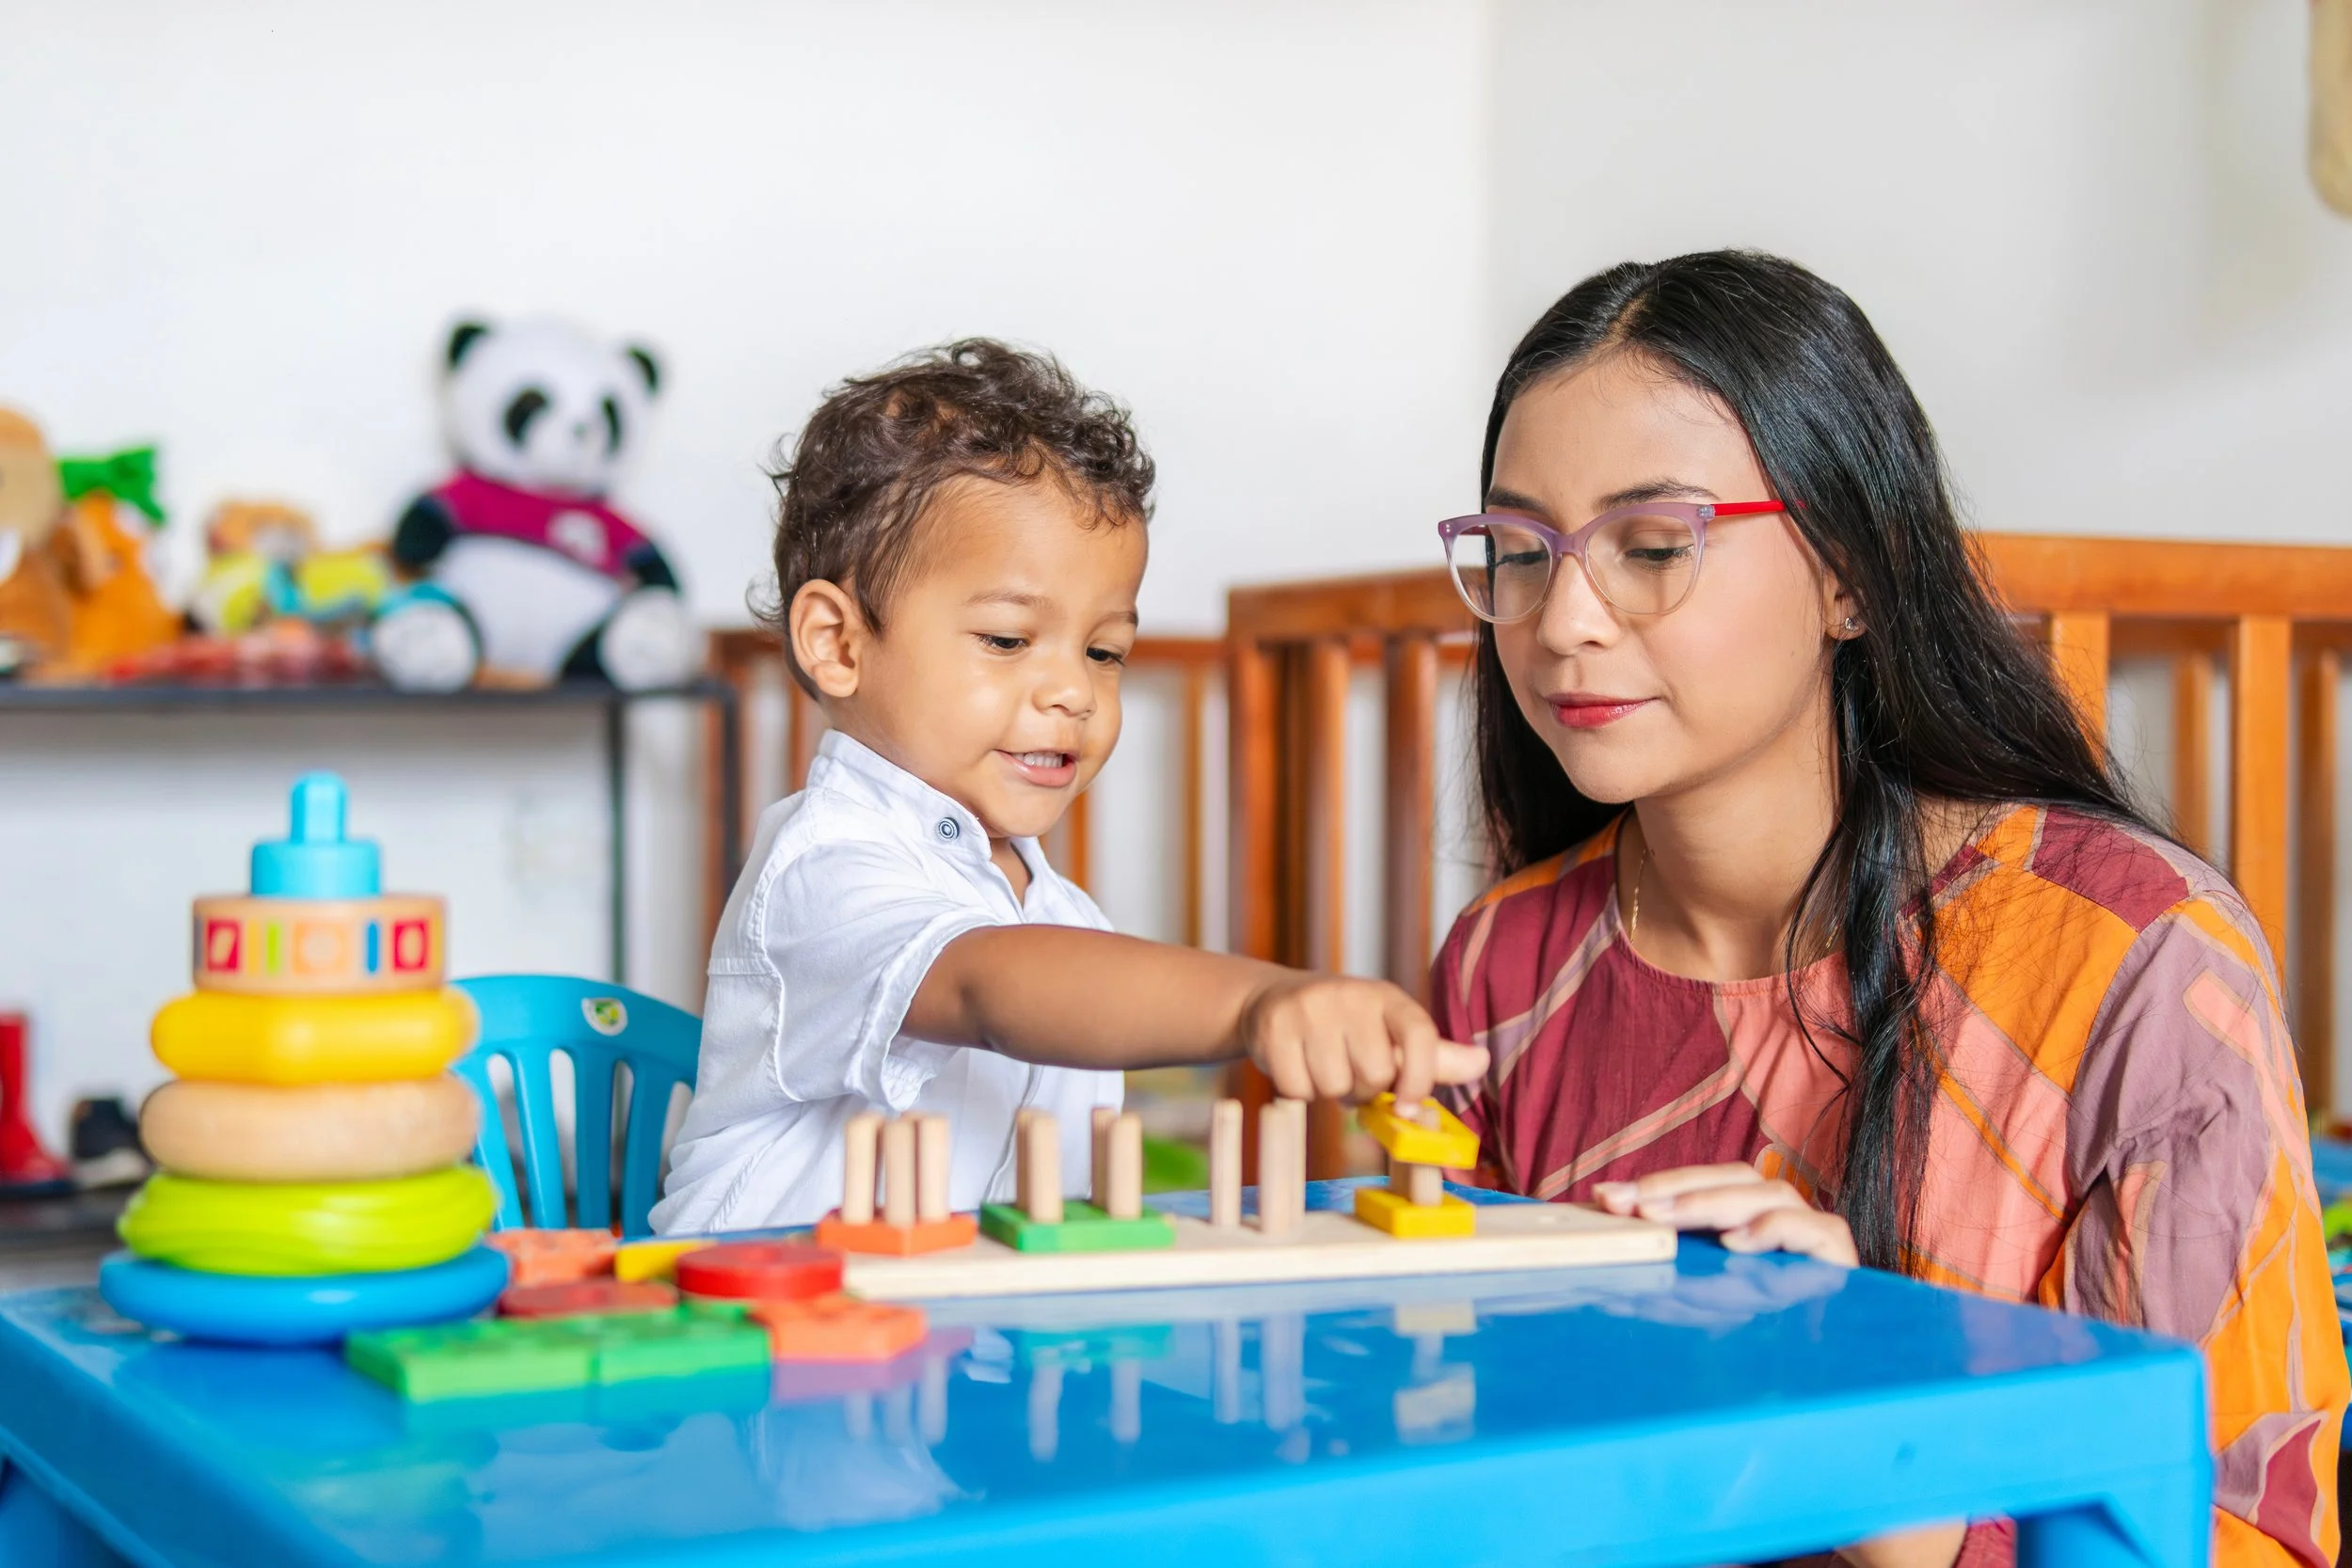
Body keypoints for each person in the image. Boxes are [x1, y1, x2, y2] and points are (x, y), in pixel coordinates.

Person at [1429, 252, 2344, 1568]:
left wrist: (1881, 1462)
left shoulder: (2136, 964)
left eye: (1650, 546)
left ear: (1851, 573)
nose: (1563, 618)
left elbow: (2246, 1528)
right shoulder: (1503, 967)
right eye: (1521, 551)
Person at [655, 340, 1483, 1234]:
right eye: (1009, 640)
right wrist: (1255, 1003)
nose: (1074, 692)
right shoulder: (822, 869)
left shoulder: (1057, 912)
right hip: (773, 1331)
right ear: (839, 643)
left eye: (1105, 651)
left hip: (967, 1334)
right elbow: (988, 989)